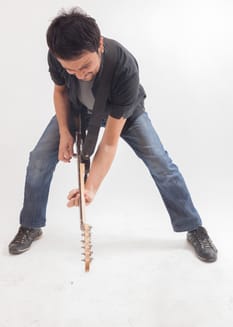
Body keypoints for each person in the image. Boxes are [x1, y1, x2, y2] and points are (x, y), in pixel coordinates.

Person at [8, 7, 217, 262]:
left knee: (160, 162)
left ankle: (193, 227)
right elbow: (61, 92)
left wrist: (91, 188)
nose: (80, 75)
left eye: (86, 66)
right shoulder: (58, 57)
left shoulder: (125, 69)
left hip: (123, 112)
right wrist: (65, 131)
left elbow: (108, 143)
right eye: (71, 70)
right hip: (78, 109)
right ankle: (30, 224)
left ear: (99, 45)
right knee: (39, 157)